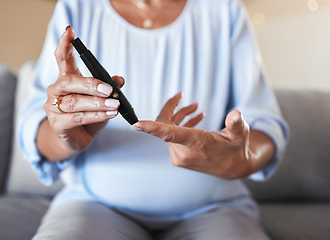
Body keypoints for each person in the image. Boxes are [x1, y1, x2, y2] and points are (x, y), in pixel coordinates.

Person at [19, 0, 289, 239]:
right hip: (93, 204)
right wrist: (64, 134)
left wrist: (244, 158)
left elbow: (265, 123)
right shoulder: (76, 7)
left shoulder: (224, 9)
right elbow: (35, 128)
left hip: (214, 208)